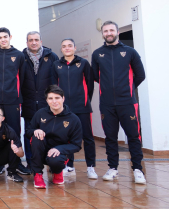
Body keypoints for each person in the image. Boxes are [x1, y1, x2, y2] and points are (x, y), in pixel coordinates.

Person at [92, 21, 146, 184]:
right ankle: (113, 168)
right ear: (102, 34)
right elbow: (96, 76)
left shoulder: (130, 52)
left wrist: (127, 88)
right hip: (107, 104)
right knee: (110, 137)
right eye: (105, 31)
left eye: (111, 30)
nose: (108, 33)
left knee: (134, 136)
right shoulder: (97, 54)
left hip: (127, 102)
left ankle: (138, 169)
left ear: (117, 32)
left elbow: (140, 75)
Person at [52, 38, 97, 179]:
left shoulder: (83, 63)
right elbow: (54, 87)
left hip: (82, 107)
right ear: (61, 49)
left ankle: (91, 167)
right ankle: (69, 166)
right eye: (64, 46)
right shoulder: (56, 65)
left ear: (75, 48)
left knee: (88, 137)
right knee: (66, 138)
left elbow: (90, 86)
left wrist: (84, 101)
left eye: (69, 46)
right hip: (64, 109)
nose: (67, 48)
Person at [25, 85, 83, 188]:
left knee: (55, 159)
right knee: (36, 137)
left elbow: (76, 145)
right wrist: (35, 130)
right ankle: (38, 174)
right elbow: (28, 131)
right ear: (47, 100)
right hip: (41, 151)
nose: (54, 101)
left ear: (63, 98)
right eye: (50, 98)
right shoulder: (40, 114)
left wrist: (59, 149)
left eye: (57, 98)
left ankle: (57, 172)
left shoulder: (73, 119)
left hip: (59, 153)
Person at [20, 31, 58, 175]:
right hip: (28, 103)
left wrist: (53, 100)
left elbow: (56, 80)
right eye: (30, 40)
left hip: (46, 104)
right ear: (27, 42)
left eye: (36, 40)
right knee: (29, 134)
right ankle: (31, 163)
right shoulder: (21, 57)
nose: (33, 42)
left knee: (50, 134)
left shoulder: (51, 56)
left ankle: (50, 161)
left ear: (41, 41)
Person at [0, 27, 25, 175]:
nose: (3, 39)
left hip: (13, 100)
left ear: (10, 37)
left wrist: (17, 95)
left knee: (15, 132)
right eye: (0, 37)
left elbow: (22, 78)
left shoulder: (19, 55)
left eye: (5, 36)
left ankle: (16, 164)